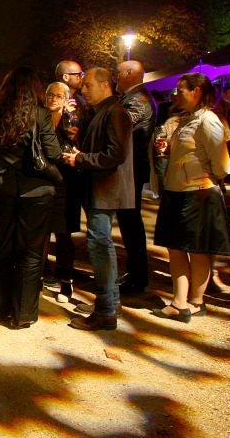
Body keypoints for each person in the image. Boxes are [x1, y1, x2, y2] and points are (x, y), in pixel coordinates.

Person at [0, 67, 61, 328]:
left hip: (4, 188)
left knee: (3, 248)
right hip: (38, 191)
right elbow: (53, 153)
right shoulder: (41, 114)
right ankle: (22, 314)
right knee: (31, 254)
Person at [151, 73, 230, 322]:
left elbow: (223, 164)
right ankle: (182, 301)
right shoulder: (187, 119)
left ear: (196, 92)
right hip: (178, 191)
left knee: (197, 250)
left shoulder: (208, 121)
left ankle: (192, 302)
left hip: (198, 193)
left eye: (181, 90)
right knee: (176, 248)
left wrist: (203, 176)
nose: (176, 94)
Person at [61, 67, 133, 331]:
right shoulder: (105, 111)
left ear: (104, 85)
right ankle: (110, 302)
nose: (84, 90)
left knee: (99, 245)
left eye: (88, 85)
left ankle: (105, 310)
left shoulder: (115, 112)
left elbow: (115, 154)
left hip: (105, 190)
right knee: (101, 245)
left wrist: (80, 158)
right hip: (100, 189)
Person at [114, 60, 156, 296]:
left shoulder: (138, 100)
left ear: (130, 74)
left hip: (131, 169)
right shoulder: (133, 98)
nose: (116, 77)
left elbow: (118, 127)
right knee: (129, 224)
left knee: (131, 224)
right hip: (130, 168)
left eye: (118, 73)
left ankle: (138, 276)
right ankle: (135, 273)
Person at [42, 81, 81, 302]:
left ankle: (65, 280)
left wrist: (76, 136)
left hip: (67, 181)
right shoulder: (40, 118)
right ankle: (42, 273)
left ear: (66, 98)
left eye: (58, 95)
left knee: (64, 233)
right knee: (42, 231)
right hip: (45, 180)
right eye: (50, 95)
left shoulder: (73, 119)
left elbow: (80, 146)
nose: (53, 99)